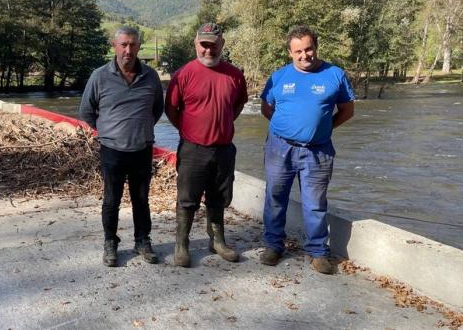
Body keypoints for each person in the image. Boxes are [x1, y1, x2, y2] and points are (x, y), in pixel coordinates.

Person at [259, 24, 355, 274]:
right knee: (275, 198)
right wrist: (287, 128)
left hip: (318, 151)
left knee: (314, 204)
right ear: (290, 52)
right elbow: (266, 108)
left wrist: (323, 129)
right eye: (298, 51)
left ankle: (317, 251)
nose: (304, 56)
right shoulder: (279, 77)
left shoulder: (335, 74)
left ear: (316, 47)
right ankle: (273, 245)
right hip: (280, 149)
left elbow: (347, 111)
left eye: (308, 49)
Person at [80, 26, 164, 267]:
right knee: (111, 200)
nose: (128, 50)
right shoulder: (99, 76)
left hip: (142, 149)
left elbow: (157, 108)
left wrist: (141, 128)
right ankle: (110, 243)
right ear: (114, 46)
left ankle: (142, 241)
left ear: (138, 46)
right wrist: (109, 131)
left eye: (133, 44)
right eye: (123, 44)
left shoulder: (151, 76)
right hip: (112, 150)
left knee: (141, 199)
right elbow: (87, 111)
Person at [165, 23, 248, 267]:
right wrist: (189, 129)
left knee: (219, 197)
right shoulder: (183, 74)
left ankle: (217, 240)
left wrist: (222, 124)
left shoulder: (235, 75)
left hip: (223, 149)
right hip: (193, 149)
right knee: (187, 198)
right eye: (204, 45)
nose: (208, 50)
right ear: (196, 44)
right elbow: (171, 109)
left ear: (222, 44)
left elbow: (238, 106)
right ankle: (182, 244)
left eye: (213, 45)